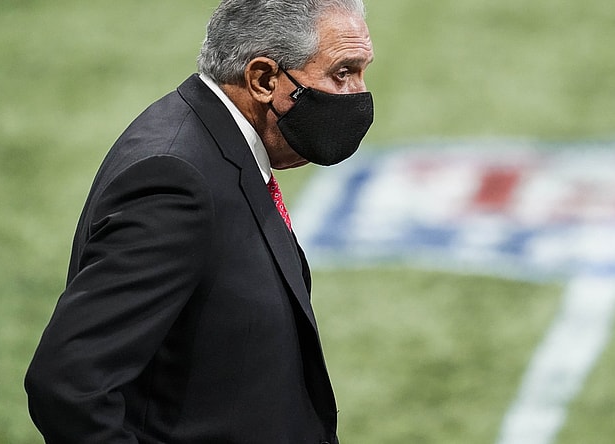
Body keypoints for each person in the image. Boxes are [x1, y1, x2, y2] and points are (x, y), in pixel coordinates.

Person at [24, 0, 374, 442]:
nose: (359, 96)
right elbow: (70, 386)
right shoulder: (176, 182)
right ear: (264, 78)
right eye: (342, 73)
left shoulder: (219, 145)